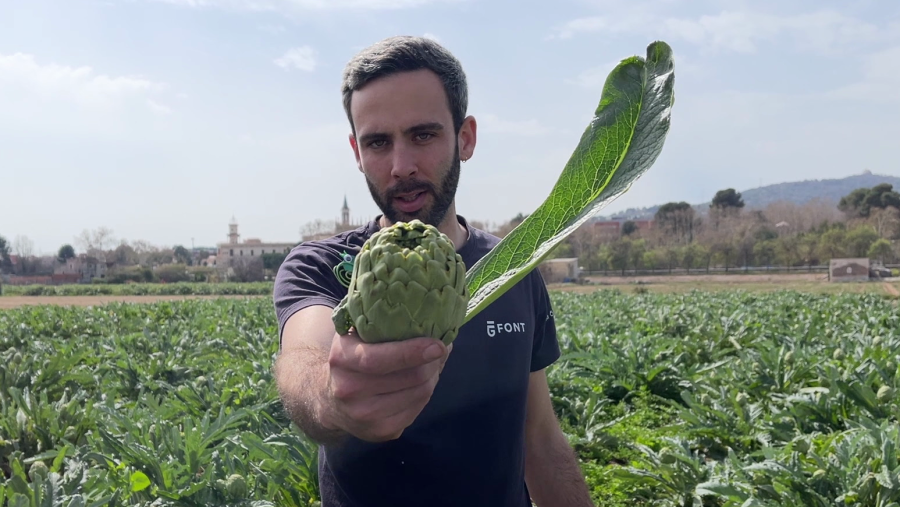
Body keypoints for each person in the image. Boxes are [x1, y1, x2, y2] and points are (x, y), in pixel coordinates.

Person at [272, 35, 594, 507]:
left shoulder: (513, 269)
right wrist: (329, 394)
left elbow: (542, 440)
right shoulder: (320, 266)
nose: (401, 166)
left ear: (465, 138)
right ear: (357, 153)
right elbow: (304, 359)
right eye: (378, 142)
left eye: (423, 135)